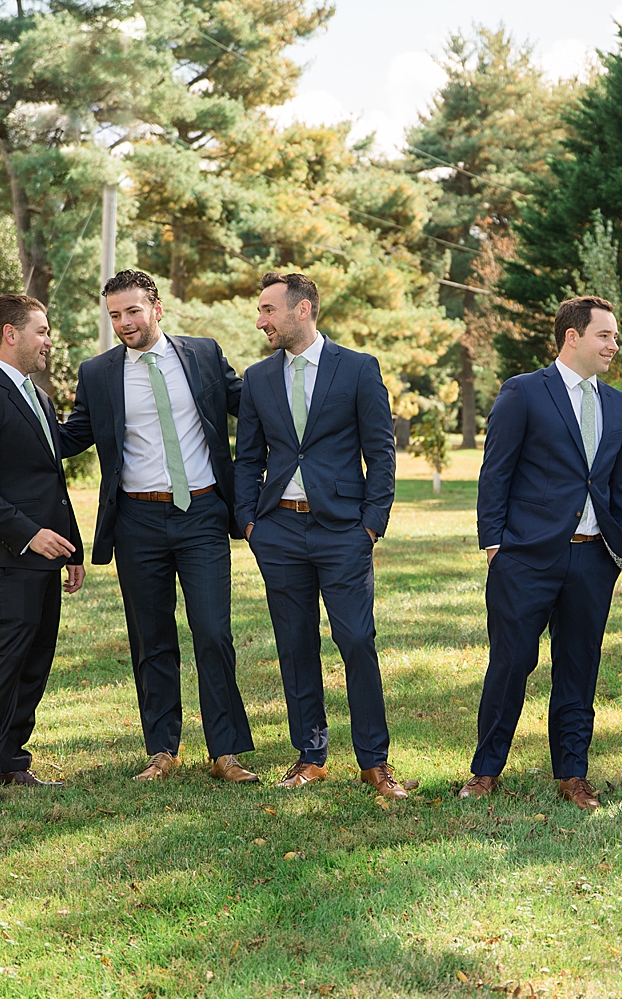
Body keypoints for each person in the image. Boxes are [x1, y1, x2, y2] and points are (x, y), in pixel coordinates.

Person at [58, 270, 257, 784]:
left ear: (157, 309)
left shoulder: (203, 355)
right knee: (151, 638)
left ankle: (226, 752)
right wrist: (10, 416)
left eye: (132, 312)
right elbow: (74, 433)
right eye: (115, 315)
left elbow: (251, 406)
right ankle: (162, 750)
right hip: (136, 521)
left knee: (213, 632)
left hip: (203, 513)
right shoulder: (98, 373)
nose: (124, 323)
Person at [459, 296, 622, 810]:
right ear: (572, 337)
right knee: (511, 664)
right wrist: (495, 544)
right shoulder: (523, 392)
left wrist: (616, 541)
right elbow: (496, 472)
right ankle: (486, 770)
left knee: (579, 667)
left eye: (615, 337)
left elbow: (621, 481)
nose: (613, 345)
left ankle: (573, 774)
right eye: (605, 335)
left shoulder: (617, 404)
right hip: (524, 558)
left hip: (591, 559)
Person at [234, 272, 406, 799]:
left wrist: (371, 523)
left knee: (356, 639)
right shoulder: (259, 378)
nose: (260, 320)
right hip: (279, 529)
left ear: (302, 309)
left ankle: (374, 762)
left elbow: (381, 452)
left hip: (343, 532)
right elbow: (248, 457)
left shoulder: (357, 369)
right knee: (294, 643)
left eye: (268, 310)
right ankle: (310, 755)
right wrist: (250, 523)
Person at [0, 294, 84, 809]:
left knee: (35, 662)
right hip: (4, 557)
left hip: (46, 557)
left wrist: (70, 549)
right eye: (42, 331)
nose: (49, 341)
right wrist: (30, 535)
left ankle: (11, 761)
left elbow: (52, 478)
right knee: (6, 661)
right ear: (10, 333)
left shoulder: (39, 397)